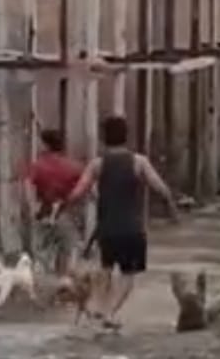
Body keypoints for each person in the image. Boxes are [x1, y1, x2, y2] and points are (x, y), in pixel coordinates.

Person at [65, 115, 179, 329]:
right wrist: (172, 210)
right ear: (126, 136)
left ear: (103, 138)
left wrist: (66, 205)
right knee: (128, 274)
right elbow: (161, 189)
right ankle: (109, 313)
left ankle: (98, 308)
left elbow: (77, 192)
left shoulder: (97, 164)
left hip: (107, 229)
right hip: (132, 229)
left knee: (105, 269)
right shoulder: (139, 162)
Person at [24, 129, 84, 272]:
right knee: (66, 252)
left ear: (46, 145)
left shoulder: (38, 165)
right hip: (67, 214)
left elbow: (27, 185)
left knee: (42, 254)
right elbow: (87, 187)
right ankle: (63, 281)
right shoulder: (73, 166)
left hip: (44, 212)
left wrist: (31, 207)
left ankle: (48, 282)